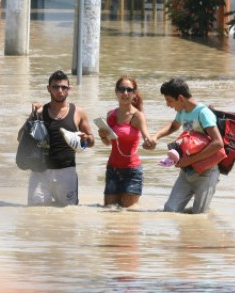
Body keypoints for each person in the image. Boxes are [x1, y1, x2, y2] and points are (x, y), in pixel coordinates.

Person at [146, 78, 224, 214]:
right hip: (187, 170)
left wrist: (190, 160)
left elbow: (218, 143)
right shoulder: (182, 112)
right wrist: (155, 136)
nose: (167, 104)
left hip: (207, 172)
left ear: (180, 98)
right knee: (170, 210)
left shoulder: (203, 113)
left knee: (199, 215)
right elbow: (173, 126)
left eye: (169, 100)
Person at [19, 70, 94, 206]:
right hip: (40, 172)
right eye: (55, 87)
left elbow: (91, 141)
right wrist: (32, 116)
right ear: (49, 88)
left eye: (64, 87)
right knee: (35, 213)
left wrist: (85, 139)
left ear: (69, 89)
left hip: (67, 172)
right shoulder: (40, 113)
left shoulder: (78, 112)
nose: (60, 91)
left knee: (68, 213)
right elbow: (20, 138)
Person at [96, 76, 154, 208]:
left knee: (128, 216)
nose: (125, 93)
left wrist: (149, 142)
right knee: (109, 212)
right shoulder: (111, 114)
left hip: (132, 171)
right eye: (122, 89)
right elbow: (107, 143)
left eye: (129, 90)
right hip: (113, 169)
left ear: (134, 94)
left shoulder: (137, 116)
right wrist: (102, 136)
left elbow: (146, 137)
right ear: (116, 92)